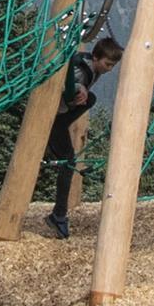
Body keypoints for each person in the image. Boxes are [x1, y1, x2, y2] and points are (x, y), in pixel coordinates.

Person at [43, 37, 124, 234]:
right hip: (51, 117)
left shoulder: (91, 66)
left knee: (91, 99)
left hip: (59, 118)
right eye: (107, 64)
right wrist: (80, 88)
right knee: (68, 161)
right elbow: (64, 82)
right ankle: (59, 215)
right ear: (96, 58)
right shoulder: (82, 69)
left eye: (113, 66)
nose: (109, 69)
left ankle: (50, 149)